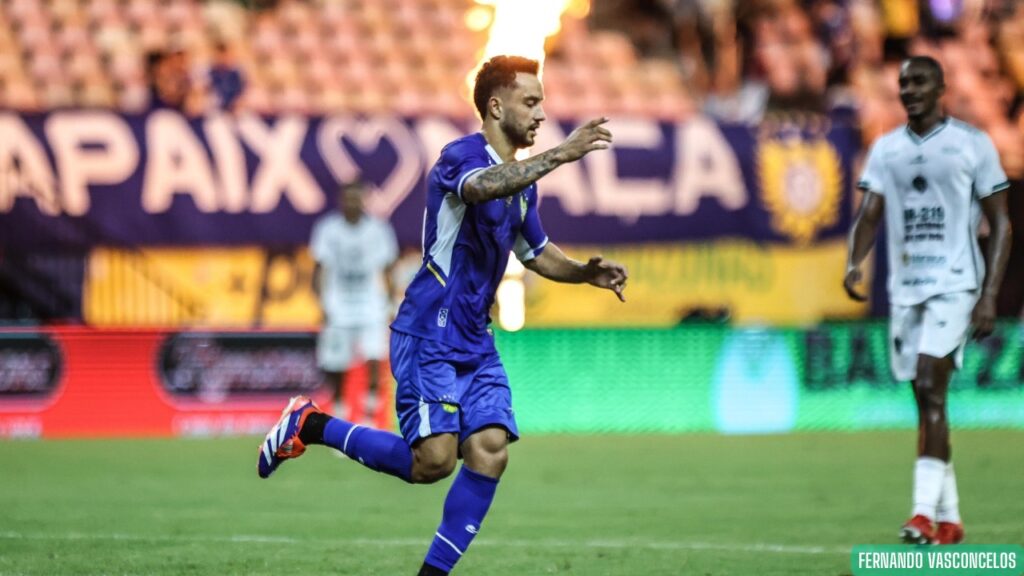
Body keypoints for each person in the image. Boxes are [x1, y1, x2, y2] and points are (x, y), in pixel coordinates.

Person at [258, 55, 628, 575]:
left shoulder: (524, 186)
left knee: (491, 448)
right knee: (431, 463)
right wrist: (562, 154)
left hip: (475, 338)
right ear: (495, 107)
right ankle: (311, 424)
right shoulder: (460, 156)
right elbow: (480, 188)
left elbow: (537, 252)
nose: (542, 113)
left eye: (542, 101)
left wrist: (583, 273)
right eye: (531, 101)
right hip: (428, 331)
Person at [844, 56, 1012, 546]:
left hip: (956, 284)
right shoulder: (887, 149)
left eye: (919, 81)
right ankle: (951, 518)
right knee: (925, 399)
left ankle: (920, 515)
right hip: (906, 290)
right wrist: (855, 262)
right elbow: (869, 214)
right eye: (903, 83)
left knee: (929, 382)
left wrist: (989, 295)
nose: (909, 90)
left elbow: (1001, 221)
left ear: (942, 88)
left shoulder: (971, 145)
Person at [310, 181, 399, 424]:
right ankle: (340, 413)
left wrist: (391, 303)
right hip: (338, 308)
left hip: (371, 307)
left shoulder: (379, 230)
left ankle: (368, 418)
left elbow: (388, 269)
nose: (352, 203)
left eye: (356, 198)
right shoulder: (328, 229)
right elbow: (319, 269)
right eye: (348, 198)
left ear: (363, 200)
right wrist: (322, 303)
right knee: (335, 366)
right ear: (341, 200)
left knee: (374, 361)